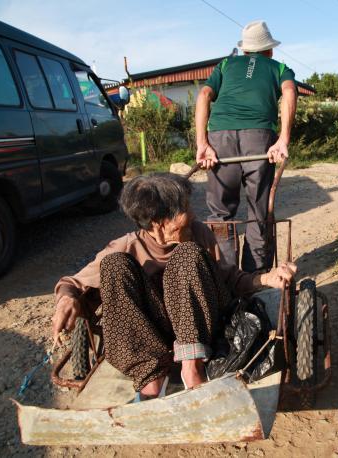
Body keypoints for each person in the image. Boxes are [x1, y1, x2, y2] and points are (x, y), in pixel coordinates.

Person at [51, 173, 296, 398]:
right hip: (156, 333)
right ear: (159, 222)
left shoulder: (197, 234)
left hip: (205, 324)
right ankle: (151, 378)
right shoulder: (127, 246)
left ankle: (192, 368)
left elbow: (230, 278)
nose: (193, 215)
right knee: (114, 266)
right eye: (185, 209)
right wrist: (67, 298)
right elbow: (71, 283)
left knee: (188, 254)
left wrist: (266, 278)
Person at [195, 20, 298, 273]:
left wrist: (202, 144)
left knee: (220, 214)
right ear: (269, 50)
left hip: (220, 139)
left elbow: (204, 95)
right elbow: (289, 93)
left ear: (245, 50)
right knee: (258, 209)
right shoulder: (279, 67)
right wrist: (283, 139)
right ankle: (255, 279)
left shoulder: (226, 64)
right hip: (259, 138)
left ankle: (227, 278)